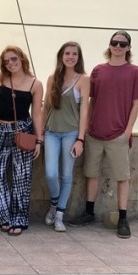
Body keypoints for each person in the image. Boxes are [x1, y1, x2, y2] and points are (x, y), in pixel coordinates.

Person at [69, 30, 138, 239]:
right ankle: (89, 212)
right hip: (95, 133)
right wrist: (86, 128)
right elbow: (91, 101)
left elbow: (136, 104)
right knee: (91, 173)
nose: (118, 46)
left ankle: (123, 218)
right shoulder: (98, 70)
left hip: (118, 134)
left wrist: (127, 131)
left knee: (122, 177)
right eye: (115, 42)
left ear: (129, 48)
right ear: (109, 45)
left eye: (123, 44)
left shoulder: (135, 72)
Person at [0, 46, 43, 236]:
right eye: (6, 61)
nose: (10, 63)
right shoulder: (1, 78)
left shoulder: (35, 84)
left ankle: (19, 219)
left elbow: (37, 113)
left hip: (22, 131)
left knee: (21, 178)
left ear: (22, 59)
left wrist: (39, 140)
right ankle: (4, 217)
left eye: (14, 59)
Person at [42, 42, 90, 232]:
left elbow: (84, 110)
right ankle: (54, 204)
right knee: (51, 173)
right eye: (67, 53)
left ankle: (60, 215)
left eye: (74, 54)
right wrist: (39, 133)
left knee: (66, 175)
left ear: (79, 57)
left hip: (71, 133)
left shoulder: (83, 80)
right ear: (61, 56)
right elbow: (45, 107)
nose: (70, 57)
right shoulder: (52, 78)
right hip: (51, 132)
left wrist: (80, 139)